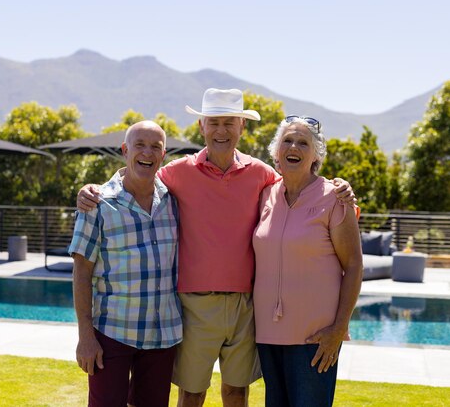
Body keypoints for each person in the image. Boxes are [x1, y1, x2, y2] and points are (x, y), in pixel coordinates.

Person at [77, 88, 355, 407]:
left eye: (229, 123)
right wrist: (94, 190)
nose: (221, 130)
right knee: (192, 394)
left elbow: (302, 183)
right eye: (213, 122)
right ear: (201, 127)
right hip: (195, 306)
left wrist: (339, 187)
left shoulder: (263, 175)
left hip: (245, 307)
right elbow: (137, 176)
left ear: (242, 127)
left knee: (236, 394)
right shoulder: (176, 173)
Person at [69, 120, 183, 407]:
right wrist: (85, 337)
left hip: (162, 335)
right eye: (140, 145)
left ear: (164, 154)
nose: (147, 152)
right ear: (125, 150)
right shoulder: (97, 203)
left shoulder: (174, 200)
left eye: (155, 146)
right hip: (112, 333)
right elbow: (82, 272)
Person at [253, 115, 363, 407]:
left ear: (316, 156)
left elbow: (353, 266)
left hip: (316, 340)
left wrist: (339, 329)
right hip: (268, 334)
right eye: (287, 140)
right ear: (277, 152)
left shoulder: (335, 198)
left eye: (304, 143)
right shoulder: (265, 195)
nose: (294, 147)